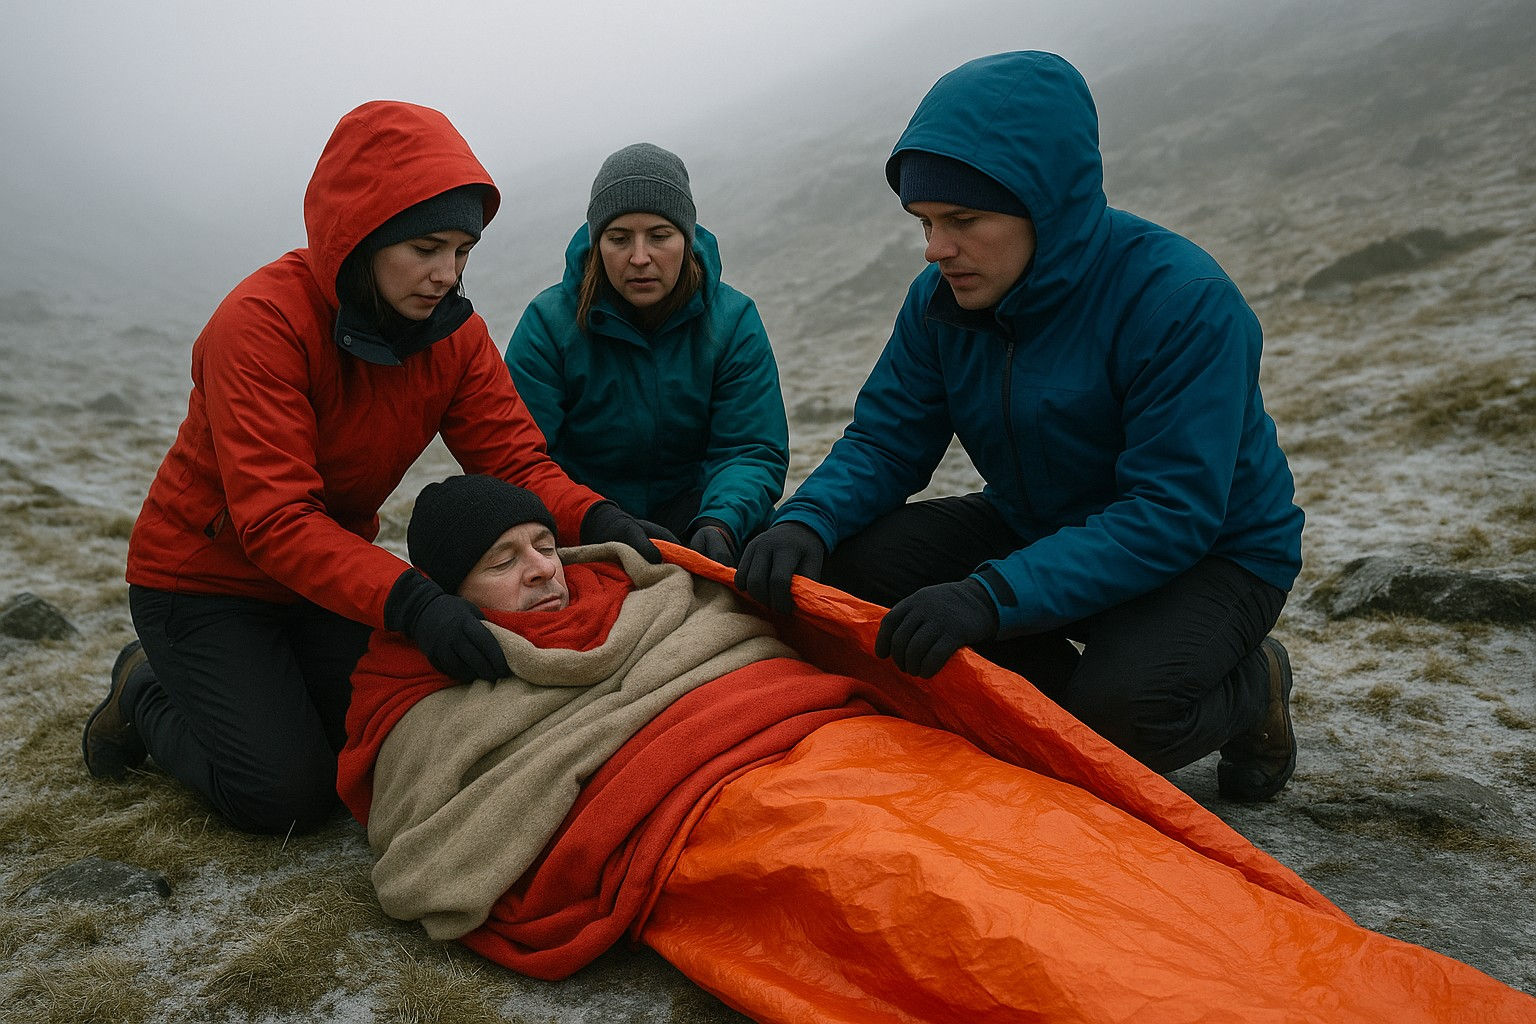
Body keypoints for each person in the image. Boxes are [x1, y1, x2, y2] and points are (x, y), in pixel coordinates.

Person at [336, 475, 1533, 1024]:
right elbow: (432, 835)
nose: (545, 571)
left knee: (1072, 847)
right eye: (506, 562)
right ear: (447, 593)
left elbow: (762, 642)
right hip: (722, 814)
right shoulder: (428, 691)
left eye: (543, 543)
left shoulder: (650, 594)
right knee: (951, 911)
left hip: (839, 737)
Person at [80, 100, 663, 835]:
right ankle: (145, 690)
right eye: (426, 248)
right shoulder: (259, 325)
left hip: (328, 583)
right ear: (361, 237)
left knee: (386, 731)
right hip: (203, 583)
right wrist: (416, 603)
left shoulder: (452, 335)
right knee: (285, 798)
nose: (447, 275)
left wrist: (599, 517)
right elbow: (277, 520)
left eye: (462, 251)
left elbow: (514, 458)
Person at [735, 51, 1306, 802]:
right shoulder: (941, 298)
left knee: (1115, 726)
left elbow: (1171, 513)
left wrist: (989, 597)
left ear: (1047, 205)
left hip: (1212, 554)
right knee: (849, 569)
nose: (937, 248)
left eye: (963, 220)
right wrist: (805, 522)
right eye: (926, 222)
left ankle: (1252, 684)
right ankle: (1056, 713)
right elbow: (887, 440)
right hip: (1038, 521)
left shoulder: (1184, 301)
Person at [504, 142, 789, 567]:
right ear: (597, 243)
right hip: (584, 518)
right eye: (619, 239)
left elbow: (748, 448)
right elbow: (521, 459)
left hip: (697, 511)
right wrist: (592, 518)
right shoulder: (548, 323)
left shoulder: (733, 319)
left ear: (687, 240)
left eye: (659, 236)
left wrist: (720, 523)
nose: (640, 258)